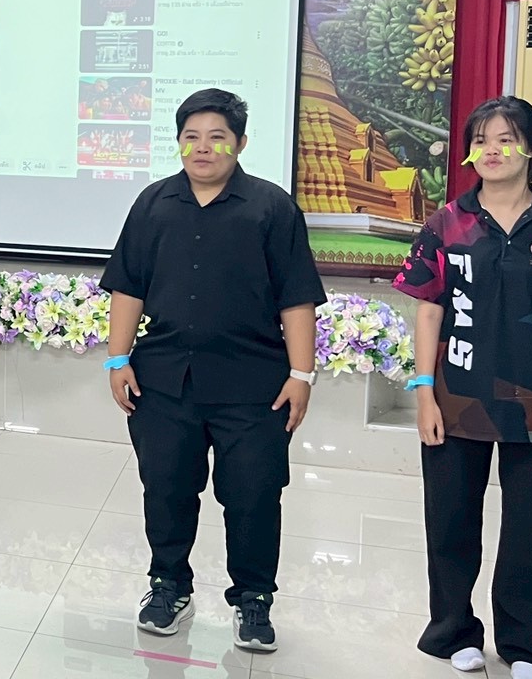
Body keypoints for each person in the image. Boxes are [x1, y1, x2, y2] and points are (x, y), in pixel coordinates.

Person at [393, 96, 532, 679]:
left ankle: (530, 647)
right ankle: (453, 632)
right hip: (455, 397)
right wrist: (423, 391)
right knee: (450, 521)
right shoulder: (446, 223)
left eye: (506, 138)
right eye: (481, 140)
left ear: (531, 149)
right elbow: (428, 310)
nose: (491, 150)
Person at [101, 88, 324, 653]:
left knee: (253, 494)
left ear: (240, 143)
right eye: (191, 137)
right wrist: (118, 358)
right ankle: (168, 586)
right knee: (167, 488)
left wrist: (302, 375)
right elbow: (128, 286)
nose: (203, 148)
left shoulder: (272, 208)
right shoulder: (153, 203)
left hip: (254, 384)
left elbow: (296, 297)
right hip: (163, 379)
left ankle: (254, 599)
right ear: (179, 143)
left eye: (217, 137)